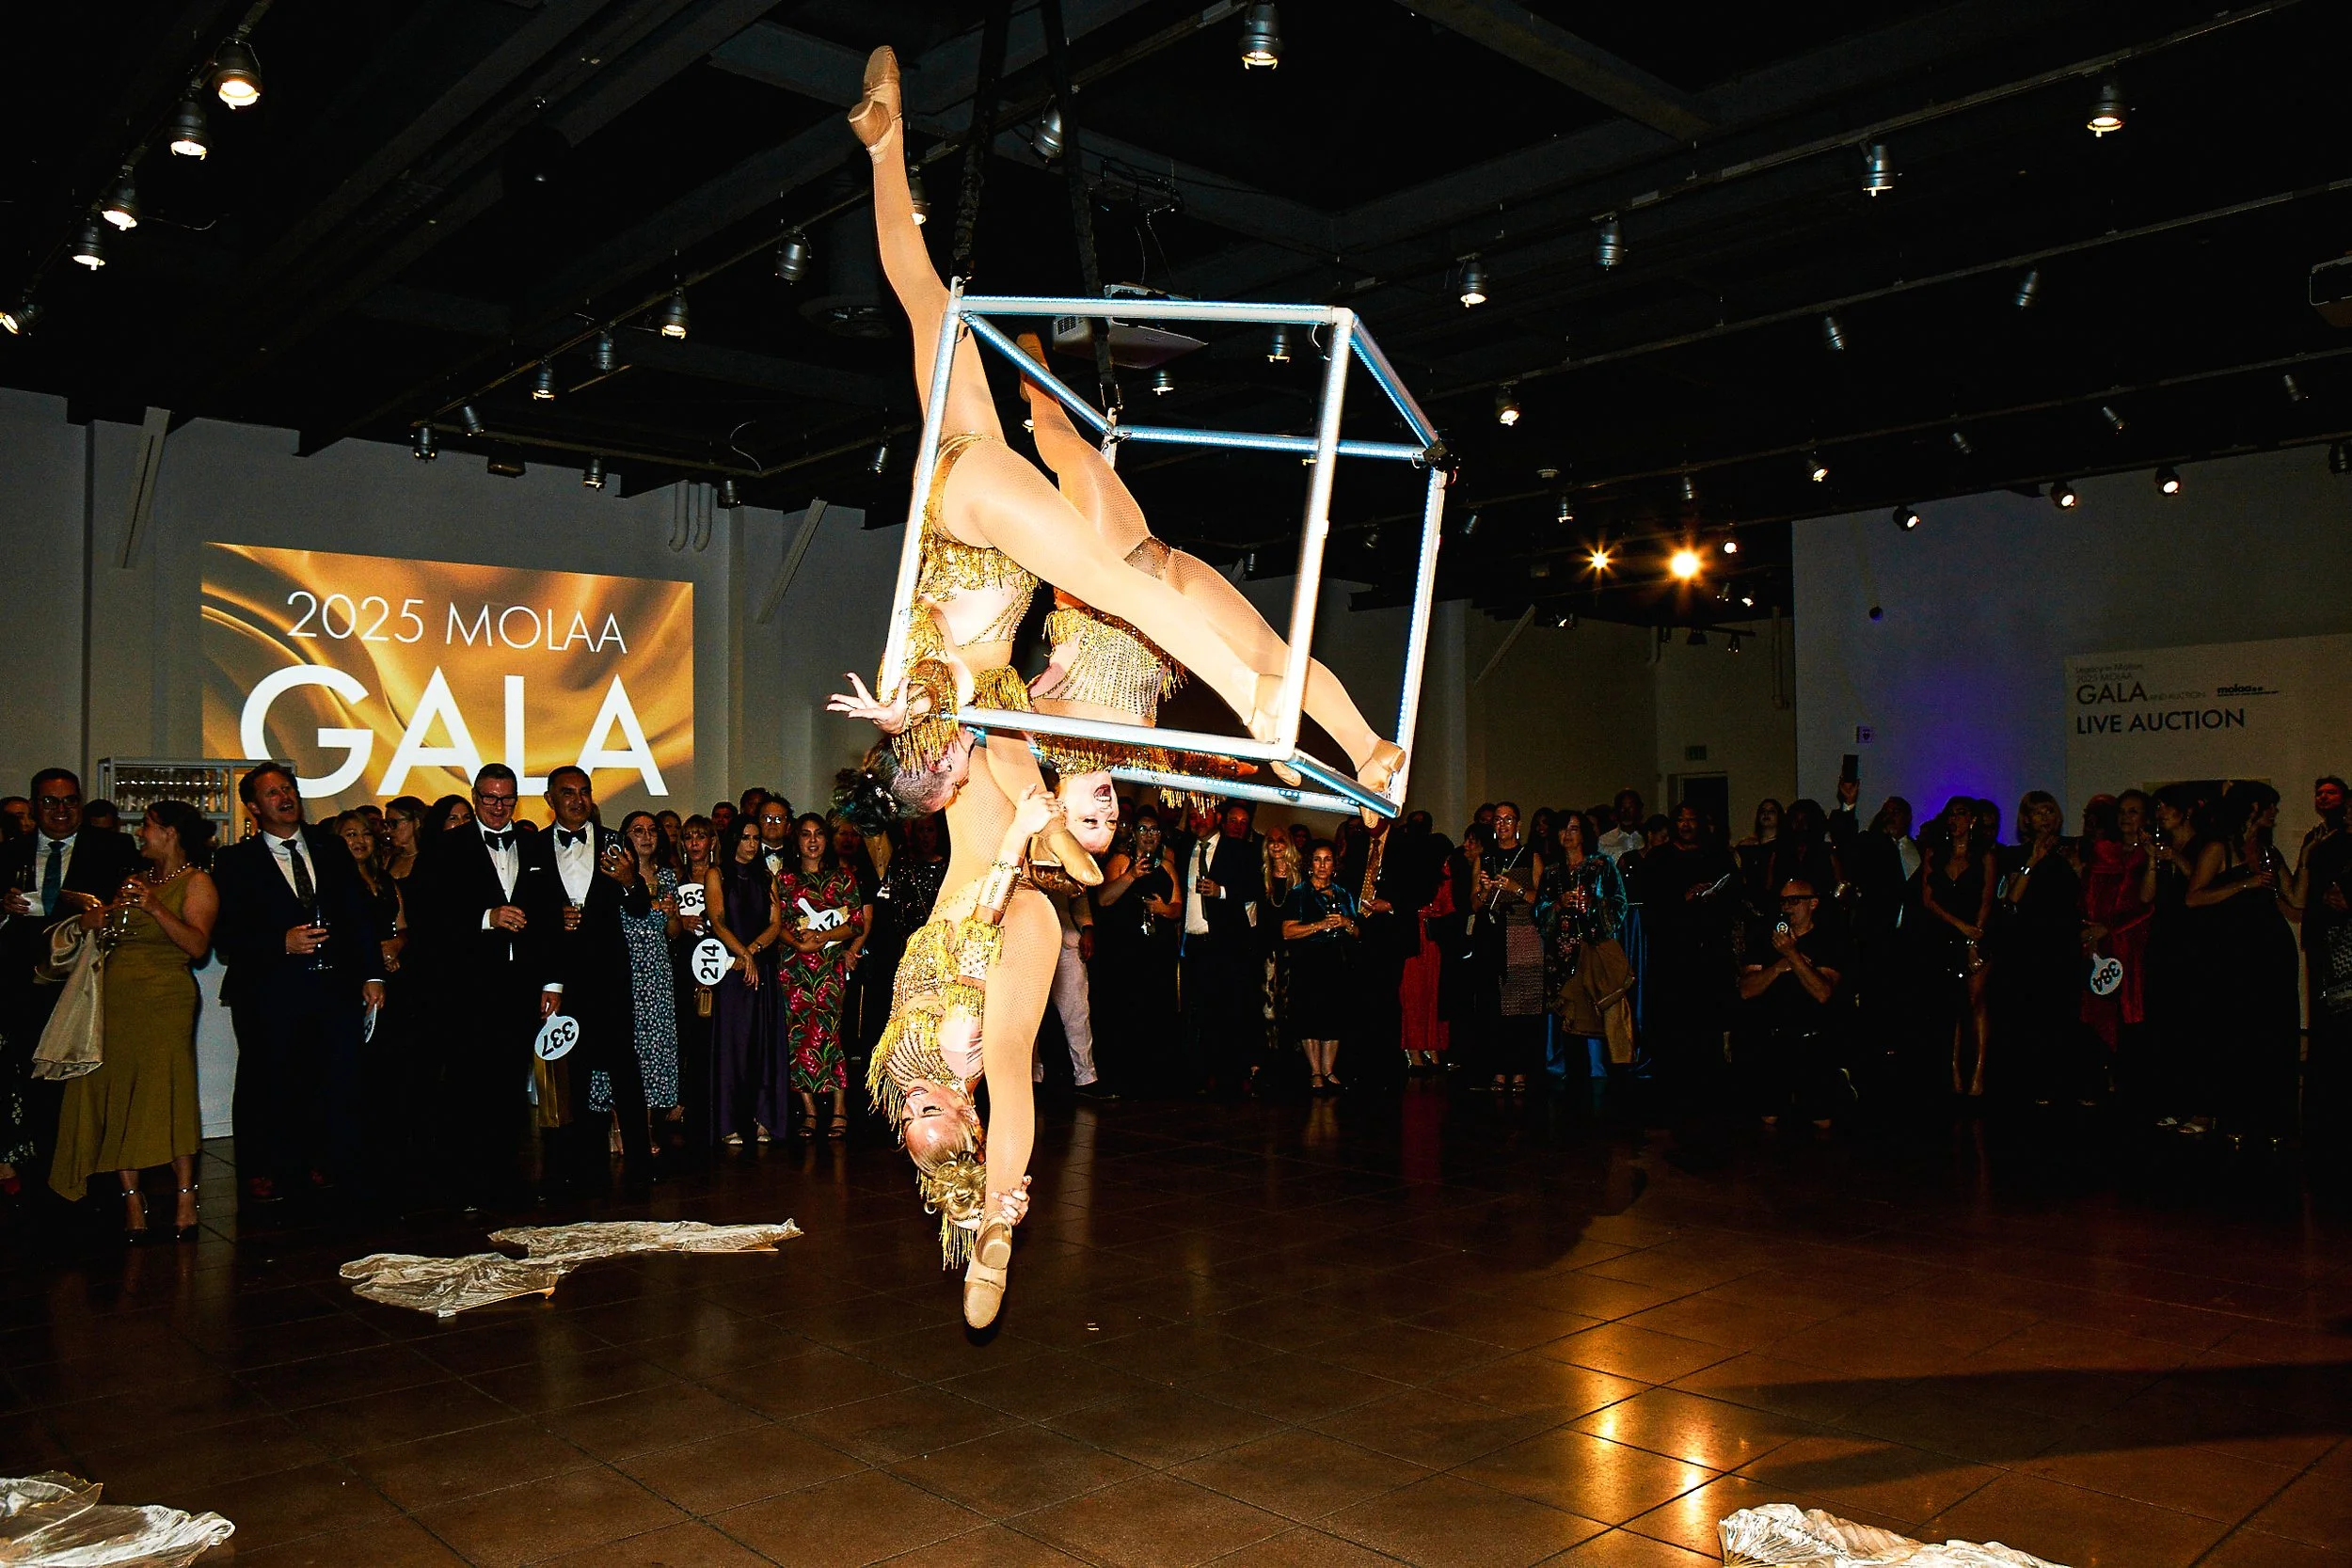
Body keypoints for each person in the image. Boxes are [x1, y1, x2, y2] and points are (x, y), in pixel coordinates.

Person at [211, 763, 388, 1203]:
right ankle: (262, 1168)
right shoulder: (236, 861)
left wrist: (371, 974)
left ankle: (319, 1161)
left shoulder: (330, 848)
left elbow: (360, 918)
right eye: (272, 793)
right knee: (264, 1080)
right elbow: (225, 935)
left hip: (333, 988)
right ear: (253, 807)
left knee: (330, 1079)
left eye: (289, 789)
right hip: (270, 990)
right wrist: (279, 942)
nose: (285, 798)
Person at [47, 800, 218, 1240]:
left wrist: (156, 908)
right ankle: (132, 1202)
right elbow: (114, 937)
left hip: (165, 1000)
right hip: (115, 1000)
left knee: (168, 1091)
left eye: (146, 826)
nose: (140, 833)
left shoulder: (197, 882)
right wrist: (96, 919)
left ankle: (185, 1194)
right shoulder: (135, 880)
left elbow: (197, 947)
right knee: (116, 1092)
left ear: (170, 832)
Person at [2, 768, 143, 1190]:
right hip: (23, 982)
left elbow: (129, 908)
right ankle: (43, 1166)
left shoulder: (113, 847)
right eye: (50, 801)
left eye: (69, 801)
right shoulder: (11, 852)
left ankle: (87, 1169)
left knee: (83, 1079)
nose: (61, 810)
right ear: (34, 805)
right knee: (31, 1075)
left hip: (86, 981)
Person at [405, 765, 539, 1205]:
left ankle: (503, 1177)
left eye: (506, 799)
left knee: (509, 1087)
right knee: (466, 1087)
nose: (498, 808)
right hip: (467, 988)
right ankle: (463, 1182)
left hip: (519, 986)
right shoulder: (445, 847)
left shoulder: (530, 842)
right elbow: (426, 917)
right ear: (475, 796)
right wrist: (486, 918)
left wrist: (550, 978)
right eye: (489, 799)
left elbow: (546, 914)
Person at [520, 766, 649, 1189]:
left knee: (624, 1069)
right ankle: (567, 1167)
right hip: (560, 981)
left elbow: (639, 909)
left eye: (584, 792)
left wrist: (631, 882)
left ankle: (639, 1163)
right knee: (565, 1073)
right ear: (550, 799)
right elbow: (523, 911)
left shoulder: (615, 841)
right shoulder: (532, 847)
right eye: (567, 792)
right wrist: (550, 919)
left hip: (609, 976)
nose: (577, 799)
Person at [2187, 780, 2300, 1148]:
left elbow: (2295, 899)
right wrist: (2244, 885)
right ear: (2252, 808)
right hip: (2235, 953)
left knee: (2274, 1032)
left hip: (2271, 950)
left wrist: (2310, 859)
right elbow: (2194, 898)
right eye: (2270, 805)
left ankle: (2273, 1118)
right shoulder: (2220, 848)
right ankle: (2236, 1113)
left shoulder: (2268, 850)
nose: (2275, 812)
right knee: (2238, 1033)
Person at [1629, 803, 1738, 1110]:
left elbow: (1735, 895)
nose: (1687, 825)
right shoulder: (1660, 858)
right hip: (1673, 957)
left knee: (1707, 1024)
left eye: (1692, 819)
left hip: (1708, 953)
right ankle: (1672, 1090)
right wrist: (1683, 899)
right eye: (1681, 820)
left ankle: (1709, 1089)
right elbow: (1650, 906)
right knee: (1673, 1024)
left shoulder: (1716, 855)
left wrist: (1715, 895)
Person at [774, 814, 869, 1139]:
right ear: (796, 840)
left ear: (826, 840)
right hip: (795, 967)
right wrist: (800, 943)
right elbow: (777, 923)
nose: (812, 841)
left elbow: (856, 922)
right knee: (798, 1036)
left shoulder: (842, 878)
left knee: (831, 1034)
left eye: (818, 834)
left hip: (829, 966)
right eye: (805, 835)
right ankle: (810, 1111)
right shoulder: (784, 879)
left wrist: (823, 936)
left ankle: (840, 1108)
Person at [595, 811, 680, 1157]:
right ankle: (617, 1128)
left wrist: (673, 914)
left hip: (657, 975)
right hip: (623, 971)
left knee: (652, 1051)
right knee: (623, 1049)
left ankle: (642, 1131)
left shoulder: (669, 876)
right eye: (637, 830)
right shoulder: (611, 874)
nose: (646, 836)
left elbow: (673, 934)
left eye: (651, 830)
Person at [1736, 878, 1850, 1131]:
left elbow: (1823, 992)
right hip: (1773, 1041)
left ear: (1813, 904)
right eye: (1783, 901)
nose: (1787, 907)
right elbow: (1746, 990)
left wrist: (1792, 955)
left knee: (1822, 1120)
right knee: (1768, 1118)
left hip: (1814, 1042)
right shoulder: (1765, 938)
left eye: (1794, 901)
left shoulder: (1830, 940)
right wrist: (1778, 967)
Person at [1998, 790, 2089, 1105]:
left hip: (2063, 942)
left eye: (2049, 811)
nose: (2045, 818)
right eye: (2038, 813)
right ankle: (2035, 1082)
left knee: (2065, 1013)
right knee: (2034, 1013)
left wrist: (2078, 870)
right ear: (2027, 818)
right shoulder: (2015, 854)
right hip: (2030, 944)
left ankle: (2066, 1081)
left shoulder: (2069, 850)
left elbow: (2081, 897)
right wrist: (2031, 863)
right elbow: (2011, 900)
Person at [1181, 800, 1269, 1098]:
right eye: (1192, 817)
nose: (1197, 822)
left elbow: (1257, 889)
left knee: (1230, 1010)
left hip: (1227, 945)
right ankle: (1200, 1073)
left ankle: (1232, 1075)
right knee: (1198, 1011)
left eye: (1202, 816)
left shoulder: (1238, 849)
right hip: (1191, 942)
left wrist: (1221, 891)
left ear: (1216, 817)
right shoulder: (1183, 850)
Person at [1541, 811, 1634, 1085]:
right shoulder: (1552, 871)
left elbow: (1620, 904)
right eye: (1562, 829)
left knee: (1608, 1017)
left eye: (1573, 829)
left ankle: (1616, 1083)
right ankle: (1576, 1085)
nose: (1567, 835)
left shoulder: (1602, 865)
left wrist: (1593, 905)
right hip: (1563, 955)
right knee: (1571, 1020)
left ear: (1583, 834)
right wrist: (1558, 905)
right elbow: (1539, 913)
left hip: (1594, 951)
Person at [1090, 809, 1181, 1090]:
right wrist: (1131, 876)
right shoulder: (1120, 861)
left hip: (1158, 950)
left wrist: (1164, 909)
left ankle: (1154, 1077)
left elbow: (1177, 907)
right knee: (1126, 1009)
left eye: (1154, 830)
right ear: (1135, 834)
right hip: (1126, 951)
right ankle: (1122, 1076)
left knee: (1156, 1011)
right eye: (1143, 829)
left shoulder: (1167, 866)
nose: (1149, 835)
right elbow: (1104, 899)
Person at [708, 816, 783, 1145]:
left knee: (762, 1043)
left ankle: (764, 1117)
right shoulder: (717, 874)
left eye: (756, 839)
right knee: (732, 1046)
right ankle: (728, 1123)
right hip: (731, 969)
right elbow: (718, 921)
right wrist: (743, 955)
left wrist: (752, 952)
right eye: (746, 838)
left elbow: (775, 923)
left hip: (760, 967)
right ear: (734, 839)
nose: (752, 845)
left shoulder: (767, 877)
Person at [2291, 776, 2352, 1167]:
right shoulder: (2317, 838)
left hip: (2343, 942)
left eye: (2333, 794)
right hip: (2324, 939)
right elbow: (2305, 891)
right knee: (2327, 1025)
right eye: (2320, 793)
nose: (2326, 800)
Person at [1918, 796, 1994, 1100]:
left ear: (1972, 820)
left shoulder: (1984, 856)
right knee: (1948, 1007)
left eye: (1961, 814)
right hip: (1943, 935)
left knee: (1975, 1003)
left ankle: (1978, 1073)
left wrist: (1973, 938)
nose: (1955, 820)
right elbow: (1928, 900)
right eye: (1951, 814)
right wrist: (1959, 927)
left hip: (1978, 934)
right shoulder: (1935, 854)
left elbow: (1987, 900)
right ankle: (1953, 1073)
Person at [2078, 794, 2154, 1069]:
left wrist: (2109, 928)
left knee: (2132, 1013)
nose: (2126, 817)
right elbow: (2088, 896)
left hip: (2135, 945)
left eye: (2133, 812)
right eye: (2122, 811)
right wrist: (2090, 931)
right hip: (2099, 945)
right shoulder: (2103, 851)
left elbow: (2147, 904)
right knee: (2098, 1010)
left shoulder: (2150, 854)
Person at [1475, 802, 1546, 1095]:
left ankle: (1520, 1071)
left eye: (1508, 819)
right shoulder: (1485, 857)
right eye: (1498, 819)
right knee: (1494, 1007)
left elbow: (1540, 899)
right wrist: (1484, 889)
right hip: (1493, 933)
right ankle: (1498, 1070)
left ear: (1518, 823)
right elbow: (1473, 904)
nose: (1502, 824)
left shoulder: (1531, 855)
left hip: (1523, 936)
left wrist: (1514, 888)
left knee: (1522, 1006)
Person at [1281, 841, 1359, 1092]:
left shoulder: (1343, 893)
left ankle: (1329, 1070)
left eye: (1327, 859)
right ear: (1309, 863)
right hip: (1308, 961)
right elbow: (1287, 932)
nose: (1322, 865)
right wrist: (1319, 925)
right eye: (1317, 859)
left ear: (1334, 864)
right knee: (1309, 1016)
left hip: (1337, 960)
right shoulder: (1298, 893)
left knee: (1334, 1016)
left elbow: (1358, 932)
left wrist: (1346, 922)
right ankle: (1315, 1070)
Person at [1397, 814, 1454, 1072]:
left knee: (1432, 995)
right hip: (1410, 936)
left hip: (1433, 940)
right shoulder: (1405, 867)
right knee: (1412, 995)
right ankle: (1412, 1047)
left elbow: (1449, 906)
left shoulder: (1444, 870)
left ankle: (1431, 1044)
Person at [1598, 790, 1646, 863]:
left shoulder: (1648, 838)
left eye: (1630, 807)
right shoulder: (1605, 840)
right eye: (1622, 807)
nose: (1626, 812)